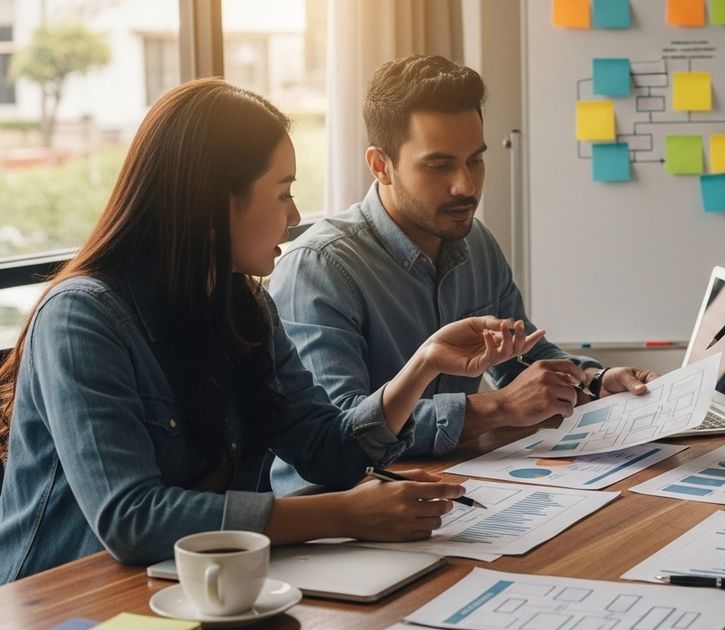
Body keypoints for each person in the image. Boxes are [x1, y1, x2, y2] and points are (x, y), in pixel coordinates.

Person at [0, 78, 541, 582]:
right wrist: (342, 513)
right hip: (74, 597)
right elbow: (131, 518)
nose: (294, 215)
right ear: (215, 204)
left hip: (209, 584)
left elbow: (328, 450)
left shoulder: (243, 305)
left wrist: (423, 365)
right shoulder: (81, 318)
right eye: (282, 192)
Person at [268, 55, 656, 494]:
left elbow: (522, 354)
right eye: (439, 166)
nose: (466, 186)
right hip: (336, 518)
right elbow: (342, 432)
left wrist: (594, 380)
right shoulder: (318, 268)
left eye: (475, 160)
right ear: (381, 165)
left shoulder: (475, 242)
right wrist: (496, 409)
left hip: (454, 489)